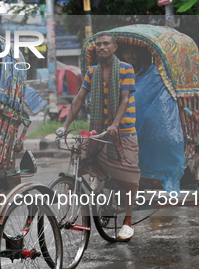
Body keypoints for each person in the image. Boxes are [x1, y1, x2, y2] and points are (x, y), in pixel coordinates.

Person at [57, 32, 140, 241]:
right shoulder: (91, 72)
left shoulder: (125, 69)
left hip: (123, 130)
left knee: (129, 179)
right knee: (83, 156)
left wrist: (115, 124)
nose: (101, 47)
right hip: (99, 130)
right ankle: (101, 175)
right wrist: (64, 126)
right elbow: (78, 99)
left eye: (106, 44)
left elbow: (124, 99)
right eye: (98, 45)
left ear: (114, 48)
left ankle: (128, 222)